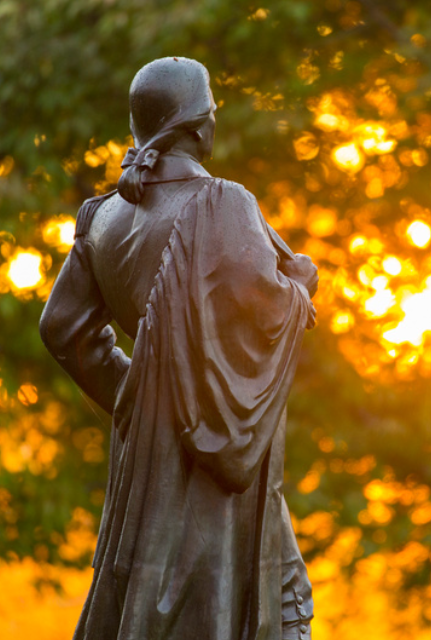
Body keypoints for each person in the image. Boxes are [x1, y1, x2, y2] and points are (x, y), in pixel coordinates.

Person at [39, 57, 318, 640]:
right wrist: (301, 288)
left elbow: (63, 329)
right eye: (213, 106)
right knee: (285, 602)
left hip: (146, 465)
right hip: (216, 466)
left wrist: (139, 399)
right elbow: (265, 308)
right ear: (198, 124)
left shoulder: (101, 218)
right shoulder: (225, 204)